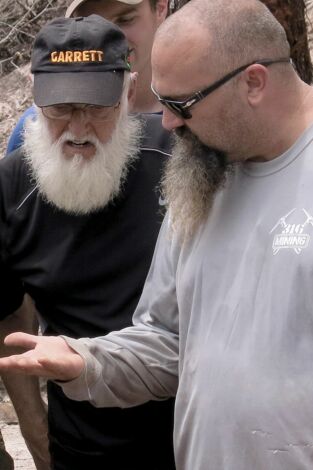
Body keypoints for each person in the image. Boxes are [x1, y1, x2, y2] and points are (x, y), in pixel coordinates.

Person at [2, 0, 313, 469]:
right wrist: (85, 362)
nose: (166, 123)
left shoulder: (197, 159)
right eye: (62, 108)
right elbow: (168, 338)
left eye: (181, 105)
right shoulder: (205, 168)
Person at [0, 14, 175, 470]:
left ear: (129, 92)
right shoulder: (12, 187)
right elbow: (7, 317)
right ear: (36, 103)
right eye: (60, 108)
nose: (78, 128)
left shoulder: (179, 158)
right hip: (80, 445)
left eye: (97, 107)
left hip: (187, 438)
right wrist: (37, 436)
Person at [5, 0, 168, 154]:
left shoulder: (188, 121)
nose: (108, 38)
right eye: (91, 22)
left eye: (125, 19)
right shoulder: (32, 133)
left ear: (160, 8)